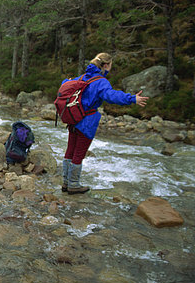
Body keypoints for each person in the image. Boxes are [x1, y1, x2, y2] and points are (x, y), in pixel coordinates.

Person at [61, 53, 148, 194]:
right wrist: (132, 99)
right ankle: (73, 185)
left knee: (70, 150)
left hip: (73, 118)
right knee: (79, 153)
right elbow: (111, 96)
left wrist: (66, 80)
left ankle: (66, 183)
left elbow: (65, 84)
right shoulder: (101, 81)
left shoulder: (83, 77)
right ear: (106, 65)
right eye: (110, 65)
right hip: (87, 122)